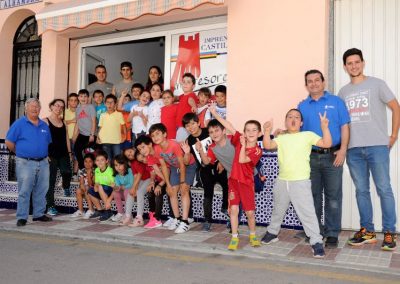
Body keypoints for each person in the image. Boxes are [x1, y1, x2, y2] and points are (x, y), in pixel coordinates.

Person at [338, 48, 400, 251]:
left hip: (377, 146)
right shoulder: (343, 92)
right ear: (345, 66)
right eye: (349, 63)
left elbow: (396, 107)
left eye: (357, 62)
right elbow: (341, 123)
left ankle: (390, 232)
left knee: (384, 189)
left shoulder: (377, 84)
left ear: (363, 63)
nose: (354, 66)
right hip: (354, 150)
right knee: (361, 191)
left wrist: (393, 136)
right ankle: (368, 231)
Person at [261, 109, 331, 258]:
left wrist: (324, 128)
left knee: (308, 213)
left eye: (297, 117)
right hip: (282, 181)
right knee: (278, 209)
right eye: (290, 117)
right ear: (286, 121)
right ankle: (272, 233)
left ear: (301, 122)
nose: (293, 119)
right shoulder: (281, 138)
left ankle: (316, 242)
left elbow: (326, 143)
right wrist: (267, 131)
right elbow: (267, 145)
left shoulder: (308, 135)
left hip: (300, 182)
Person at [298, 69, 350, 248]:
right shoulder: (302, 106)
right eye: (309, 81)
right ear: (306, 85)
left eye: (316, 80)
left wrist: (343, 150)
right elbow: (296, 129)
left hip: (333, 156)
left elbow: (345, 127)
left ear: (323, 82)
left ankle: (332, 232)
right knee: (312, 196)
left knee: (333, 196)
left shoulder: (336, 102)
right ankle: (315, 232)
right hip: (310, 158)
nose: (313, 83)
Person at [207, 105, 262, 250]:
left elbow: (243, 160)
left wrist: (243, 146)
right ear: (243, 132)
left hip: (246, 182)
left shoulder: (257, 150)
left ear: (259, 133)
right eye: (247, 130)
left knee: (250, 212)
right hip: (233, 181)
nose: (250, 133)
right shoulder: (238, 140)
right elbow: (229, 126)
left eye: (254, 130)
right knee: (233, 210)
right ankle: (234, 237)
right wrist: (215, 113)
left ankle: (252, 235)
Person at [5, 98, 52, 226]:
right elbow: (8, 142)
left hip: (43, 162)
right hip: (25, 162)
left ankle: (38, 214)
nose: (34, 108)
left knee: (42, 189)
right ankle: (22, 217)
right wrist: (19, 153)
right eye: (32, 106)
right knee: (25, 190)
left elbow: (47, 142)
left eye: (37, 106)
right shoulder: (19, 124)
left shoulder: (44, 125)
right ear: (26, 109)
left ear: (40, 109)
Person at [183, 112, 228, 232]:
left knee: (227, 186)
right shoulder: (188, 141)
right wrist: (187, 152)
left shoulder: (208, 132)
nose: (191, 127)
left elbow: (221, 142)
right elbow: (186, 162)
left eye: (193, 123)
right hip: (205, 169)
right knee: (207, 194)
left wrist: (222, 161)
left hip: (219, 165)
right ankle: (207, 221)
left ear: (198, 123)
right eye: (187, 125)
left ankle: (225, 209)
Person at [149, 123, 196, 233]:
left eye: (157, 134)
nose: (155, 137)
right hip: (174, 168)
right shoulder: (156, 149)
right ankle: (177, 218)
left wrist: (182, 181)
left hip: (188, 165)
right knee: (172, 192)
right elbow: (164, 166)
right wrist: (168, 184)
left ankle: (185, 222)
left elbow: (183, 164)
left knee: (184, 190)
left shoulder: (174, 145)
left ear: (165, 134)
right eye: (153, 135)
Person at [44, 99, 73, 216]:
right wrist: (45, 154)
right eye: (57, 106)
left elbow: (66, 138)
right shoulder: (45, 121)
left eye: (61, 107)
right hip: (51, 155)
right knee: (50, 181)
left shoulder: (63, 122)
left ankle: (66, 186)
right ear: (51, 106)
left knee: (67, 172)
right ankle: (50, 206)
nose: (59, 108)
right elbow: (42, 139)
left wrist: (70, 152)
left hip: (64, 153)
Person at [72, 89, 97, 169]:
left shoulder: (91, 107)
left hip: (90, 134)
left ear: (88, 97)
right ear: (78, 98)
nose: (83, 98)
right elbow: (77, 123)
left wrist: (92, 135)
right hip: (82, 135)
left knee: (90, 153)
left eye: (85, 96)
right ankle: (82, 168)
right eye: (81, 96)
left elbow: (94, 122)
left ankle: (93, 170)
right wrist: (74, 136)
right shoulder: (77, 109)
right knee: (76, 150)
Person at [88, 150, 115, 221]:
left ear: (107, 161)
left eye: (102, 160)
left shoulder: (110, 171)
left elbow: (114, 187)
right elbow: (97, 183)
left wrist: (109, 200)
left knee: (101, 187)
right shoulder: (97, 170)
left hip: (111, 191)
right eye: (97, 160)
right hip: (102, 190)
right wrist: (95, 186)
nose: (99, 162)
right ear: (95, 162)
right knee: (90, 190)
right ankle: (100, 210)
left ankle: (108, 211)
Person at [97, 94, 126, 161]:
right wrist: (97, 137)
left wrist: (124, 136)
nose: (109, 104)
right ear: (105, 103)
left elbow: (123, 125)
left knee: (118, 159)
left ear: (115, 104)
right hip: (105, 140)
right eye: (107, 102)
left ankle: (117, 171)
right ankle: (110, 171)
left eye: (111, 102)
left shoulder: (119, 114)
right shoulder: (102, 115)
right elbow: (100, 127)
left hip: (116, 141)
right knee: (108, 159)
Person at [70, 153, 95, 219]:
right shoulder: (82, 171)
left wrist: (89, 174)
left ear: (93, 162)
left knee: (87, 187)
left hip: (93, 190)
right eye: (86, 161)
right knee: (78, 190)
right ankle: (81, 210)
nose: (87, 163)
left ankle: (91, 210)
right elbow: (81, 182)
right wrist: (82, 186)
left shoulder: (95, 171)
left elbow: (91, 184)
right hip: (85, 190)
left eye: (90, 161)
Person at [111, 154, 134, 223]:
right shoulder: (116, 175)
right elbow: (118, 187)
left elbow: (131, 184)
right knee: (115, 192)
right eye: (116, 165)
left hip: (132, 193)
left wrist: (122, 187)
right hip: (124, 194)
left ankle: (128, 214)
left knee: (126, 191)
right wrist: (115, 187)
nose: (118, 167)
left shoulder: (130, 171)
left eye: (120, 164)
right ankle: (120, 213)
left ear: (125, 164)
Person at [175, 73, 199, 142]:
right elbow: (175, 98)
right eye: (184, 82)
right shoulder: (182, 96)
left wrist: (194, 106)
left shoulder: (191, 95)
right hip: (179, 126)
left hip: (184, 127)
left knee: (180, 147)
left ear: (193, 86)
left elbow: (190, 100)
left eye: (188, 82)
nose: (185, 84)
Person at [64, 93, 79, 178]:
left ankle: (75, 174)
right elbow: (61, 122)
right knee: (68, 156)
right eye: (71, 100)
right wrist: (72, 120)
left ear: (78, 102)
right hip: (66, 138)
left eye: (75, 100)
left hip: (77, 137)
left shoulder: (80, 111)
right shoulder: (64, 111)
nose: (73, 102)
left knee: (76, 156)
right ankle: (66, 174)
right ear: (68, 102)